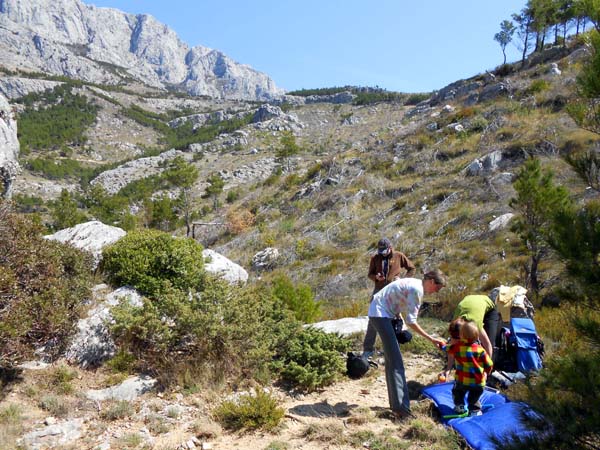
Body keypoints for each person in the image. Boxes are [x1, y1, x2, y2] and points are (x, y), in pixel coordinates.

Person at [368, 269, 447, 419]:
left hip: (382, 313)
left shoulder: (414, 284)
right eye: (437, 287)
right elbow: (412, 321)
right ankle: (402, 411)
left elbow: (396, 301)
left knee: (393, 361)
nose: (436, 291)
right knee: (396, 363)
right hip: (380, 314)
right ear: (431, 281)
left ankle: (397, 406)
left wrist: (400, 324)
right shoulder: (417, 289)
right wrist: (432, 339)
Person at [363, 237, 416, 359]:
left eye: (384, 251)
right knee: (373, 319)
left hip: (394, 292)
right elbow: (369, 274)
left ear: (390, 248)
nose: (382, 253)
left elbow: (412, 268)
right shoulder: (375, 258)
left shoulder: (398, 256)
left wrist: (403, 280)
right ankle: (367, 349)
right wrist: (376, 277)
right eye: (380, 251)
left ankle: (393, 348)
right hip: (379, 291)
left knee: (394, 320)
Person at [439, 294, 501, 381]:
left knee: (489, 341)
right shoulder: (456, 325)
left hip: (489, 309)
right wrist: (448, 369)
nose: (458, 339)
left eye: (459, 337)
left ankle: (488, 375)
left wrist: (485, 372)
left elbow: (488, 345)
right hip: (469, 301)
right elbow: (452, 348)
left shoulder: (476, 325)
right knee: (462, 345)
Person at [446, 319, 493, 416]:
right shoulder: (480, 350)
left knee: (457, 392)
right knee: (474, 397)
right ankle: (475, 411)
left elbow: (448, 349)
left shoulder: (457, 348)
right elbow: (489, 364)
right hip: (478, 381)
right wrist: (486, 373)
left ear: (461, 335)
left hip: (462, 380)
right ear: (477, 336)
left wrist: (442, 345)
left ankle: (460, 407)